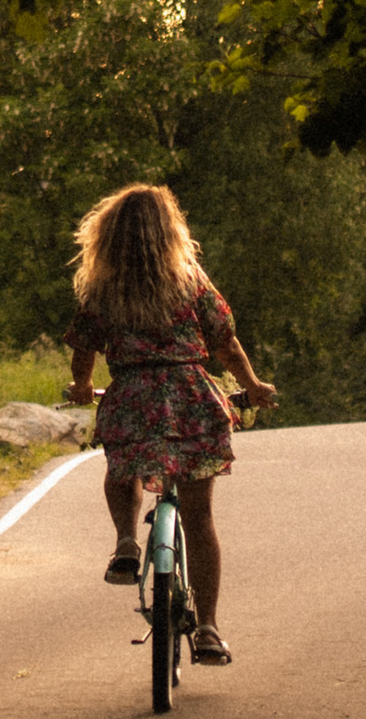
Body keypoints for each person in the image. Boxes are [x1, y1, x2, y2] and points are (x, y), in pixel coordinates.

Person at [64, 180, 276, 664]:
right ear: (169, 230)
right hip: (190, 396)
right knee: (199, 517)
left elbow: (84, 347)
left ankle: (124, 541)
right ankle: (207, 627)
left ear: (109, 235)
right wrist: (254, 384)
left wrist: (81, 386)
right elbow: (225, 341)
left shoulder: (103, 288)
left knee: (122, 467)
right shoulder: (190, 279)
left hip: (132, 394)